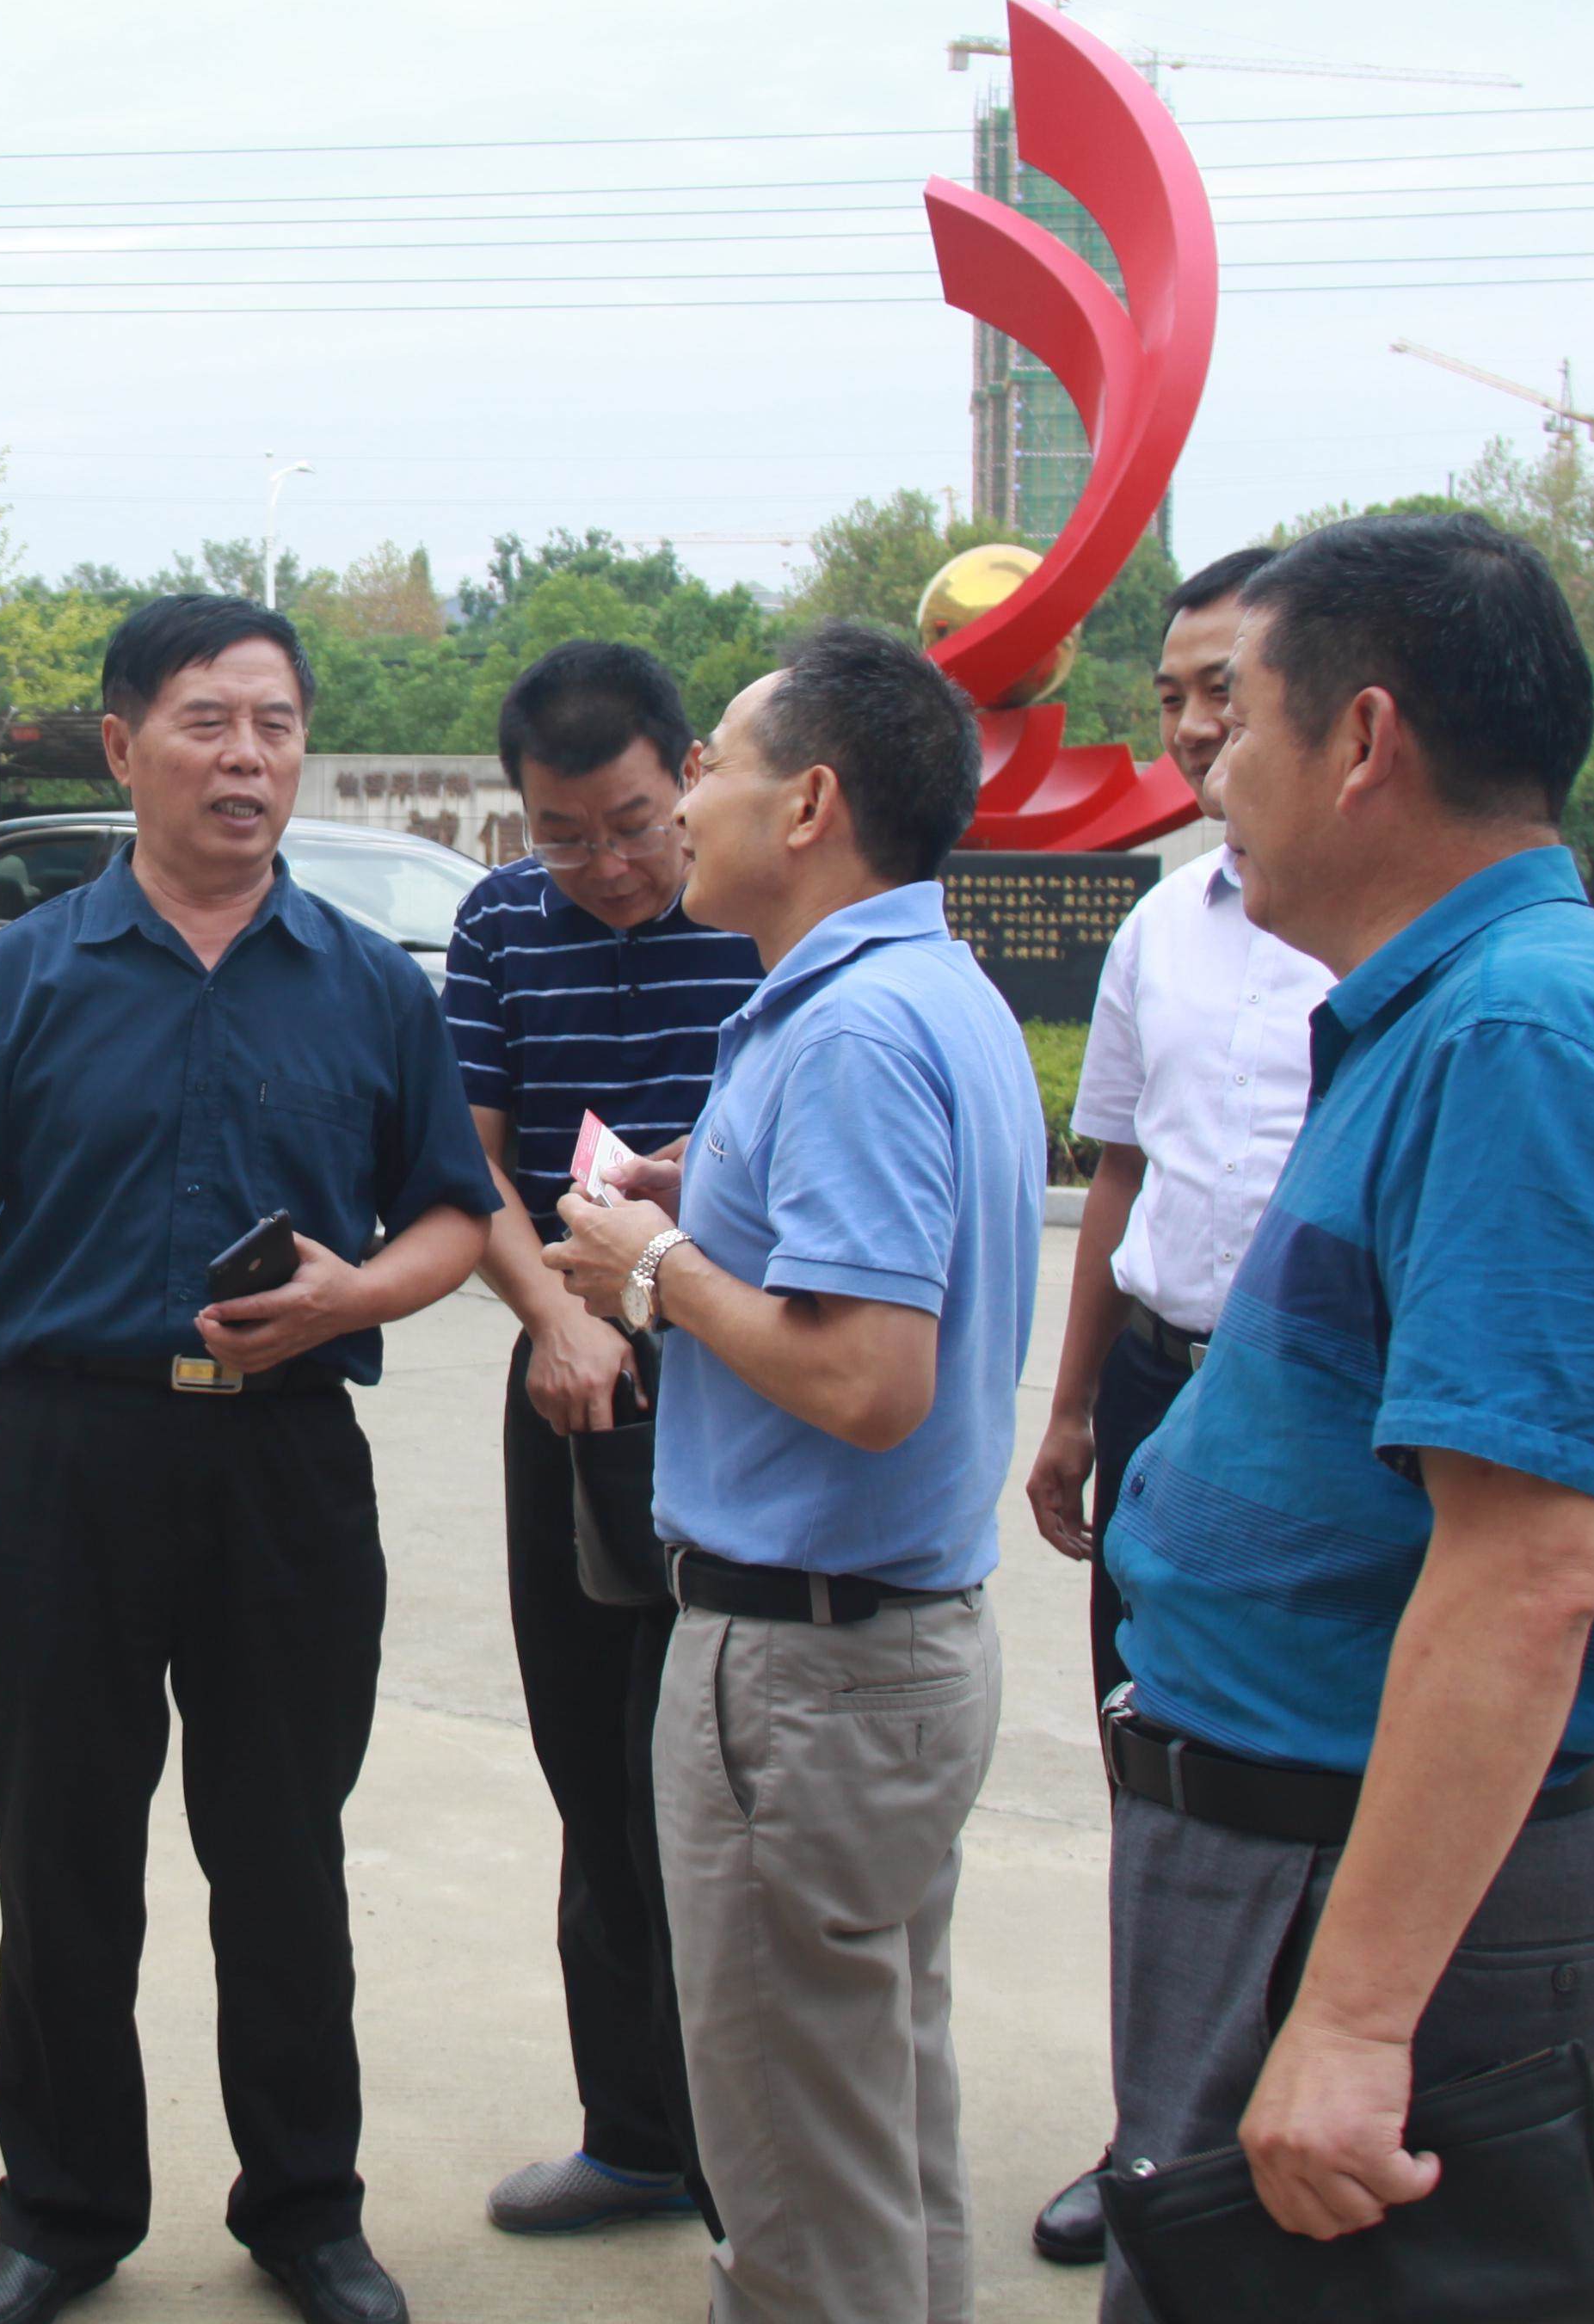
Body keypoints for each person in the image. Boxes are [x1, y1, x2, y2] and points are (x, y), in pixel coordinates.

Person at [1092, 513, 1594, 2322]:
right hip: (1289, 1853)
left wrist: (1358, 2017)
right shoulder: (1451, 1013)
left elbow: (1526, 1572)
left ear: (1363, 741)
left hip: (1371, 1898)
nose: (1207, 767)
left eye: (1244, 721)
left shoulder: (1520, 1038)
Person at [0, 594, 501, 2324]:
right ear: (121, 745)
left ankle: (306, 2207)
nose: (248, 760)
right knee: (68, 1863)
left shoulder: (370, 987)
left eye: (276, 727)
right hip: (63, 1461)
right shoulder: (17, 978)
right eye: (207, 723)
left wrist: (352, 1298)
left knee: (283, 1854)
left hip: (287, 1470)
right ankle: (62, 2216)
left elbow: (457, 1213)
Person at [545, 622, 1043, 2324]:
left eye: (715, 768)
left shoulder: (849, 1033)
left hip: (810, 1667)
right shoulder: (923, 992)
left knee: (792, 2183)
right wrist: (714, 1207)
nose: (688, 799)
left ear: (812, 801)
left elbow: (865, 1377)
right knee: (873, 2128)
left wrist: (648, 1271)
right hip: (880, 1650)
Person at [1012, 545, 1332, 2267]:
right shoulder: (1163, 923)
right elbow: (1120, 1182)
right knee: (1161, 1778)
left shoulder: (1399, 936)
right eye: (1176, 700)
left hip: (1328, 1417)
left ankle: (1320, 2125)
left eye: (1230, 690)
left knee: (1320, 1790)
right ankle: (1159, 2139)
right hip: (1160, 1391)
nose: (1200, 728)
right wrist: (1068, 1413)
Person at [439, 641, 759, 2240]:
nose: (608, 864)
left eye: (631, 821)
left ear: (688, 768)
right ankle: (632, 2126)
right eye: (564, 834)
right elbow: (471, 1163)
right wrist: (553, 1320)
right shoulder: (502, 924)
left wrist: (679, 1218)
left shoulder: (768, 902)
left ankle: (744, 2147)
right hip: (572, 1376)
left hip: (746, 1377)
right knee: (590, 1759)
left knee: (718, 1771)